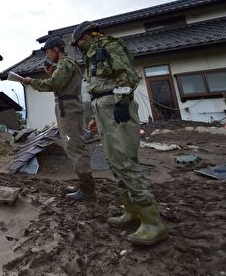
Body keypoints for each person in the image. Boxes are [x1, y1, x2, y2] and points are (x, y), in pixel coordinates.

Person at [71, 21, 168, 246]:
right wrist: (96, 115)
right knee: (113, 161)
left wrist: (122, 101)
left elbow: (127, 74)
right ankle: (131, 210)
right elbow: (100, 83)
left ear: (86, 37)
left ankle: (153, 221)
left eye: (80, 43)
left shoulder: (109, 46)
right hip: (103, 107)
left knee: (124, 161)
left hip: (116, 106)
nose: (80, 47)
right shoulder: (93, 54)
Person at [22, 36, 94, 201]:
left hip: (68, 109)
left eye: (48, 52)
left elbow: (54, 84)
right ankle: (83, 184)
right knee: (72, 145)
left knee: (74, 146)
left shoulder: (65, 64)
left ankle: (87, 189)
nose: (48, 56)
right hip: (67, 107)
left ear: (56, 49)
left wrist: (31, 81)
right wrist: (51, 73)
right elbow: (60, 82)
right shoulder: (67, 65)